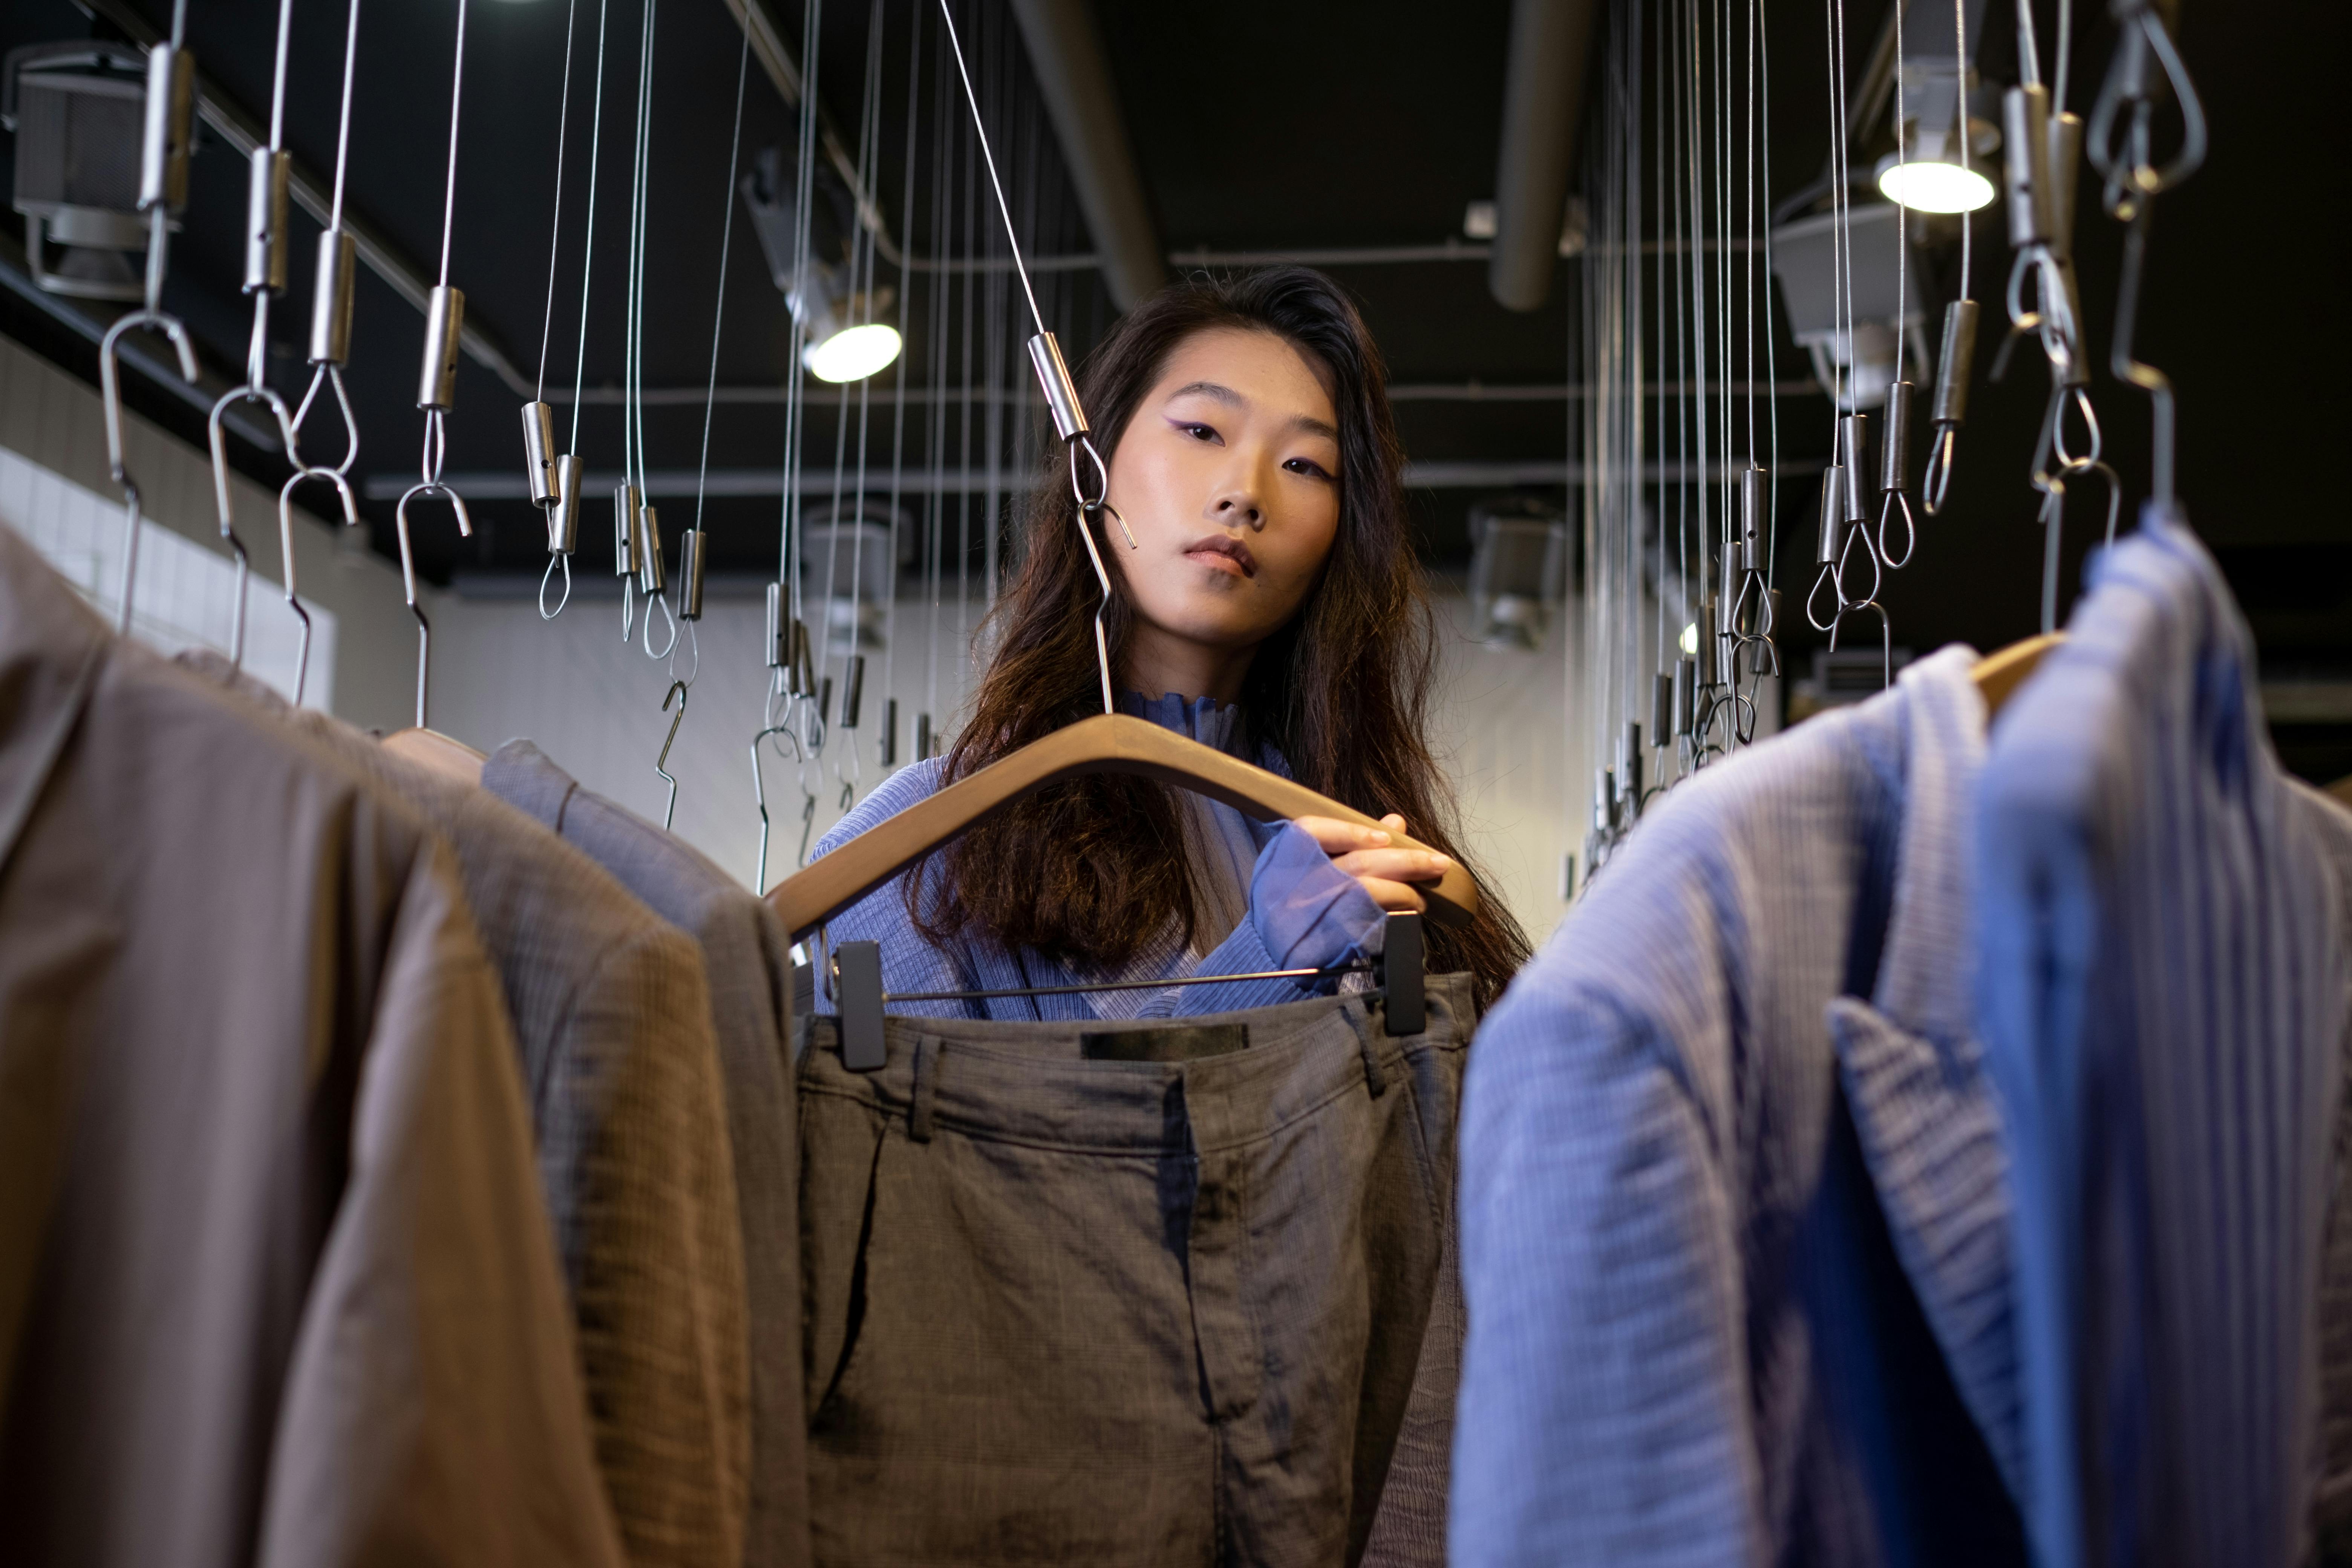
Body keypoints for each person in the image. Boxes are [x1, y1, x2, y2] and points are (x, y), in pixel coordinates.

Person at [811, 266, 1530, 1020]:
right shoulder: (923, 849)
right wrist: (1274, 954)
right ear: (1097, 458)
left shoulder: (1367, 850)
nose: (1246, 491)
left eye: (1305, 466)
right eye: (1201, 431)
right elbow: (950, 1141)